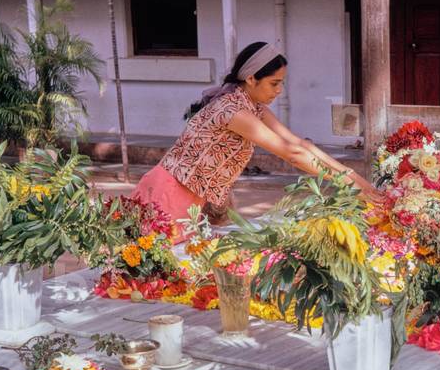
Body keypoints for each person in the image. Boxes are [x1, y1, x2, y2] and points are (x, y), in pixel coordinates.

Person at [133, 41, 382, 231]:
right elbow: (293, 154)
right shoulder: (232, 110)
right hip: (169, 193)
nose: (279, 90)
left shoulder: (253, 107)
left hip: (190, 197)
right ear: (251, 79)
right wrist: (349, 186)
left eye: (282, 83)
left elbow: (298, 144)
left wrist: (359, 182)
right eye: (274, 83)